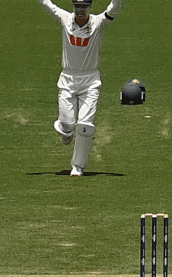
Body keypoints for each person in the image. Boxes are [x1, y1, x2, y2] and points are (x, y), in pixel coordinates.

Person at [33, 0, 121, 177]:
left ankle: (78, 166)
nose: (80, 10)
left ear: (90, 7)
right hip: (68, 79)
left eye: (83, 7)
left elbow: (114, 9)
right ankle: (66, 130)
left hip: (90, 81)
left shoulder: (99, 22)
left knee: (85, 125)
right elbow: (47, 4)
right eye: (77, 7)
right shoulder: (65, 18)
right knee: (67, 125)